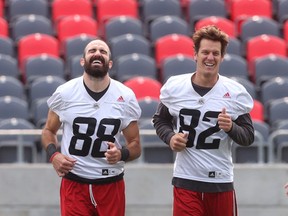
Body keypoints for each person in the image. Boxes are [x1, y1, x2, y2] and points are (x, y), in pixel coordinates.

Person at [152, 25, 254, 216]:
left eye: (216, 53)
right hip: (186, 180)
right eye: (205, 52)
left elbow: (248, 137)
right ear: (195, 54)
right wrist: (170, 137)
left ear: (222, 57)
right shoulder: (176, 87)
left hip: (221, 182)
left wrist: (231, 127)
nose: (210, 57)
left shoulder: (234, 92)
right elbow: (160, 120)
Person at [41, 38, 142, 216]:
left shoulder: (125, 96)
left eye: (103, 51)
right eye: (92, 50)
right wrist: (54, 155)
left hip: (110, 182)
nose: (97, 53)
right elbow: (48, 131)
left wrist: (121, 154)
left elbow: (135, 144)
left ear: (109, 63)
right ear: (83, 61)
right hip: (74, 182)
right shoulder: (65, 93)